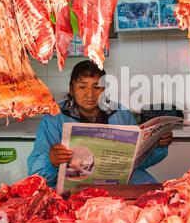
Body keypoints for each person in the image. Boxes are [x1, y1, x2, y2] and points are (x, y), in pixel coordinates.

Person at [27, 60, 173, 188]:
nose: (90, 94)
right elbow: (35, 175)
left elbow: (138, 163)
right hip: (75, 189)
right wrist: (50, 161)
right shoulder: (54, 119)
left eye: (97, 87)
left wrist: (158, 145)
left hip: (119, 185)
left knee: (156, 199)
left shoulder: (120, 113)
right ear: (71, 89)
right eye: (82, 87)